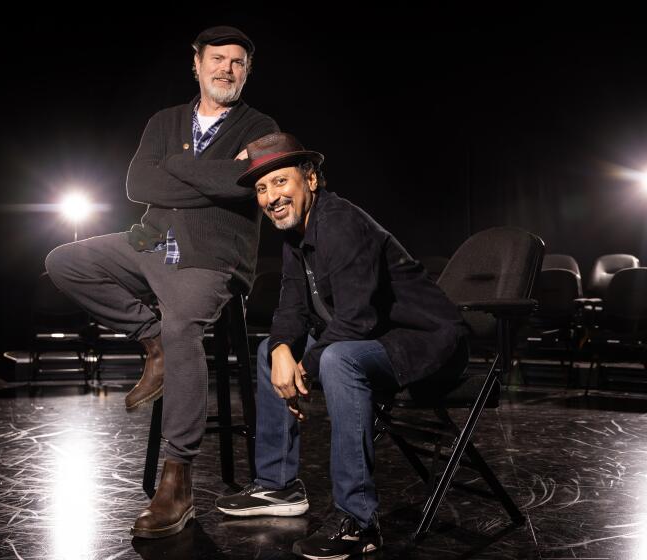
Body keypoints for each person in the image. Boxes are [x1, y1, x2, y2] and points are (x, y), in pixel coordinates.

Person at [45, 26, 278, 538]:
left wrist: (176, 169)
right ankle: (149, 339)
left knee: (182, 326)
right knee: (65, 260)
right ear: (195, 64)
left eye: (238, 63)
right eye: (217, 59)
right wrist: (211, 174)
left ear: (247, 71)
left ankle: (178, 481)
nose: (227, 70)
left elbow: (244, 187)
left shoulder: (260, 127)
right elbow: (137, 184)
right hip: (150, 244)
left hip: (213, 259)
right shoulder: (165, 120)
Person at [215, 132, 469, 559]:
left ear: (310, 180)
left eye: (280, 182)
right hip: (373, 341)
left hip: (426, 343)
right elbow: (291, 309)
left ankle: (359, 524)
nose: (271, 196)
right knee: (267, 354)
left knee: (335, 359)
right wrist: (282, 351)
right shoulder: (297, 235)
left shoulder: (343, 223)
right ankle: (278, 487)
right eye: (262, 188)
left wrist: (303, 369)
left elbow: (357, 320)